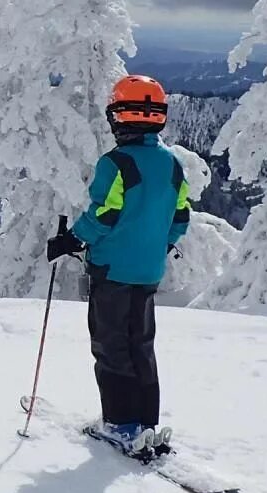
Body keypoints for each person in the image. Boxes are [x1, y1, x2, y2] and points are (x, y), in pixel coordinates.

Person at [46, 74, 189, 455]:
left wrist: (72, 239)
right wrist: (155, 246)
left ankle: (121, 424)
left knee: (111, 346)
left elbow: (104, 213)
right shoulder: (172, 165)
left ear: (118, 118)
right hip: (147, 272)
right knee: (141, 345)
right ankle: (146, 422)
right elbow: (180, 218)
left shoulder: (117, 163)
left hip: (112, 271)